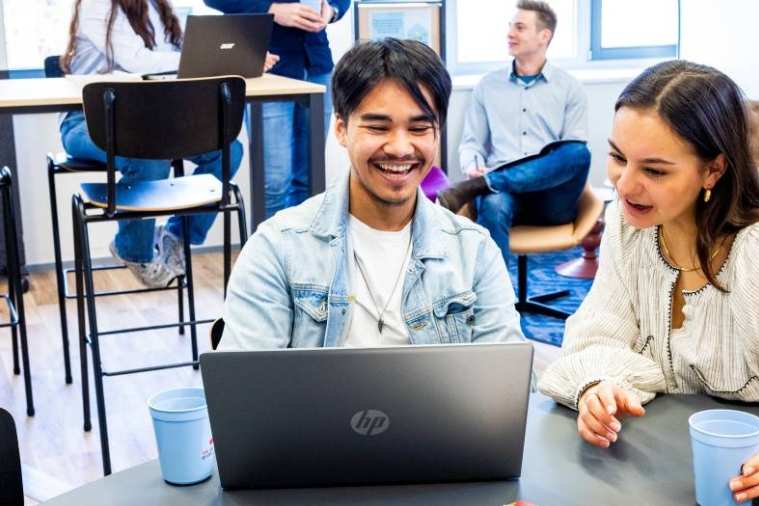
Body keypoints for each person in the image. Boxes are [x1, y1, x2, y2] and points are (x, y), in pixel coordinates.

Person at [537, 60, 759, 506]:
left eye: (654, 170)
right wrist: (598, 386)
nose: (625, 184)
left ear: (713, 171)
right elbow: (598, 335)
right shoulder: (628, 228)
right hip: (658, 473)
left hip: (755, 483)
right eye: (618, 157)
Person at [218, 38, 524, 350]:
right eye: (378, 128)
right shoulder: (277, 249)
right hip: (315, 402)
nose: (400, 148)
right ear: (340, 129)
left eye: (419, 129)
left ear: (437, 133)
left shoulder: (475, 251)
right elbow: (244, 390)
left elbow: (506, 378)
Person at [59, 0, 255, 288]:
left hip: (149, 120)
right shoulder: (96, 4)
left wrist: (231, 59)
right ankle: (133, 248)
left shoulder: (157, 6)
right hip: (86, 122)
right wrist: (195, 58)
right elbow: (137, 60)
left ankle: (176, 236)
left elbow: (171, 61)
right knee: (148, 154)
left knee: (228, 150)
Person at [438, 0, 591, 265]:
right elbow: (471, 143)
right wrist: (473, 166)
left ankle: (485, 184)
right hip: (504, 197)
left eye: (519, 27)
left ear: (544, 36)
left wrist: (485, 181)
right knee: (494, 205)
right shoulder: (487, 86)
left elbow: (569, 154)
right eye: (510, 26)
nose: (510, 33)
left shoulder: (569, 88)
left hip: (552, 199)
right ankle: (499, 300)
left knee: (579, 152)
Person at [205, 0, 350, 218]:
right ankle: (269, 250)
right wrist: (270, 9)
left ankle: (304, 249)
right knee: (274, 182)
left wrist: (331, 11)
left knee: (310, 179)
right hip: (268, 65)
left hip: (316, 64)